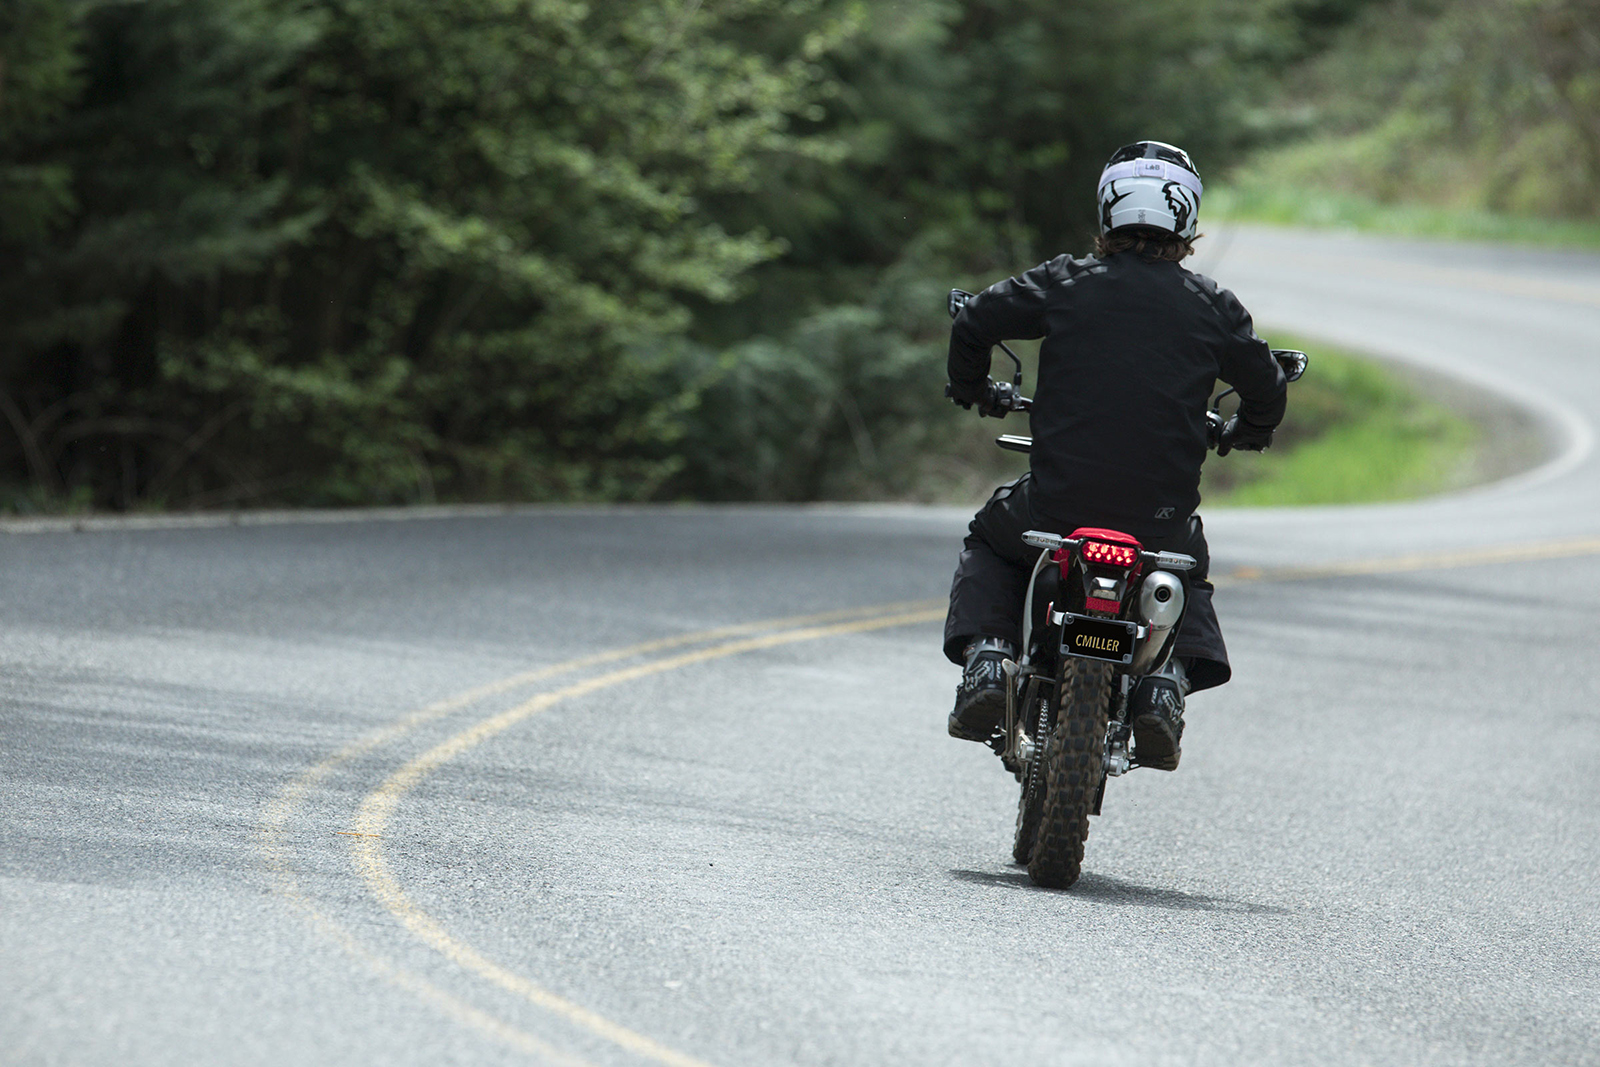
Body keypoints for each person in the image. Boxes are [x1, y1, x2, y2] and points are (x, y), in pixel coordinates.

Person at [942, 140, 1286, 771]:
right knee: (1187, 566)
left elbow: (975, 323)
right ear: (1185, 221)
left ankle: (989, 659)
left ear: (1107, 213)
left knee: (991, 539)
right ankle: (1165, 684)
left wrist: (974, 389)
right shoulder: (1214, 306)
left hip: (1056, 504)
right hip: (1158, 518)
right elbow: (1266, 386)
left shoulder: (1066, 282)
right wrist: (1249, 430)